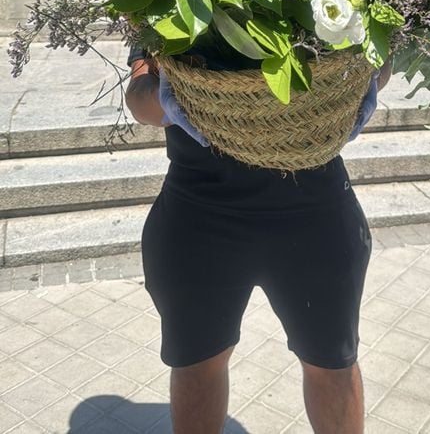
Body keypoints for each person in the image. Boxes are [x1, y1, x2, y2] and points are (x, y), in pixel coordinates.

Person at [125, 43, 391, 434]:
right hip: (200, 212)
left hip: (314, 210)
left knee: (331, 360)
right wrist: (178, 98)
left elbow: (378, 64)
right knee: (197, 361)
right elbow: (138, 98)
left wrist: (353, 82)